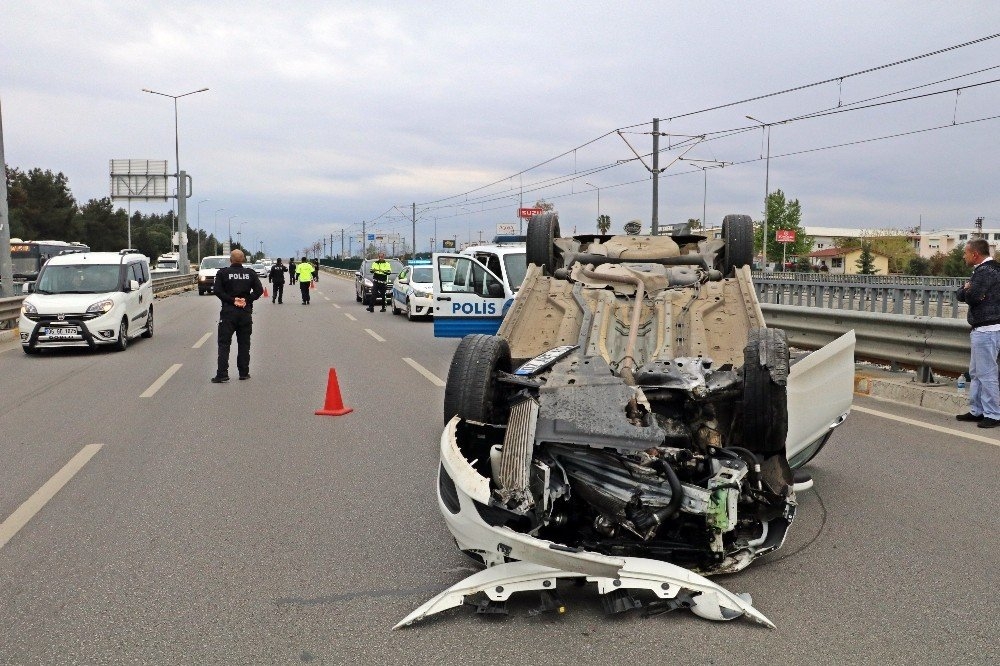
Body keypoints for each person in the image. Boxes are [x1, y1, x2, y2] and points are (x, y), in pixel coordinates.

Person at [955, 238, 1000, 428]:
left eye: (965, 253)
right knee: (976, 372)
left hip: (987, 329)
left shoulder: (984, 272)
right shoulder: (994, 269)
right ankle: (977, 410)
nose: (964, 256)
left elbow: (971, 297)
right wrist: (966, 290)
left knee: (986, 373)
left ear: (975, 254)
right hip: (987, 327)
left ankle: (993, 414)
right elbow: (964, 294)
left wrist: (967, 289)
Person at [212, 249, 263, 383]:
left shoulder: (222, 273)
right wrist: (247, 300)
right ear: (243, 260)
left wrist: (231, 300)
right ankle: (244, 373)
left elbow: (217, 290)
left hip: (228, 313)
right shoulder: (250, 273)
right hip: (245, 313)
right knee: (244, 344)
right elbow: (259, 290)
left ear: (230, 260)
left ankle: (222, 374)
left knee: (224, 344)